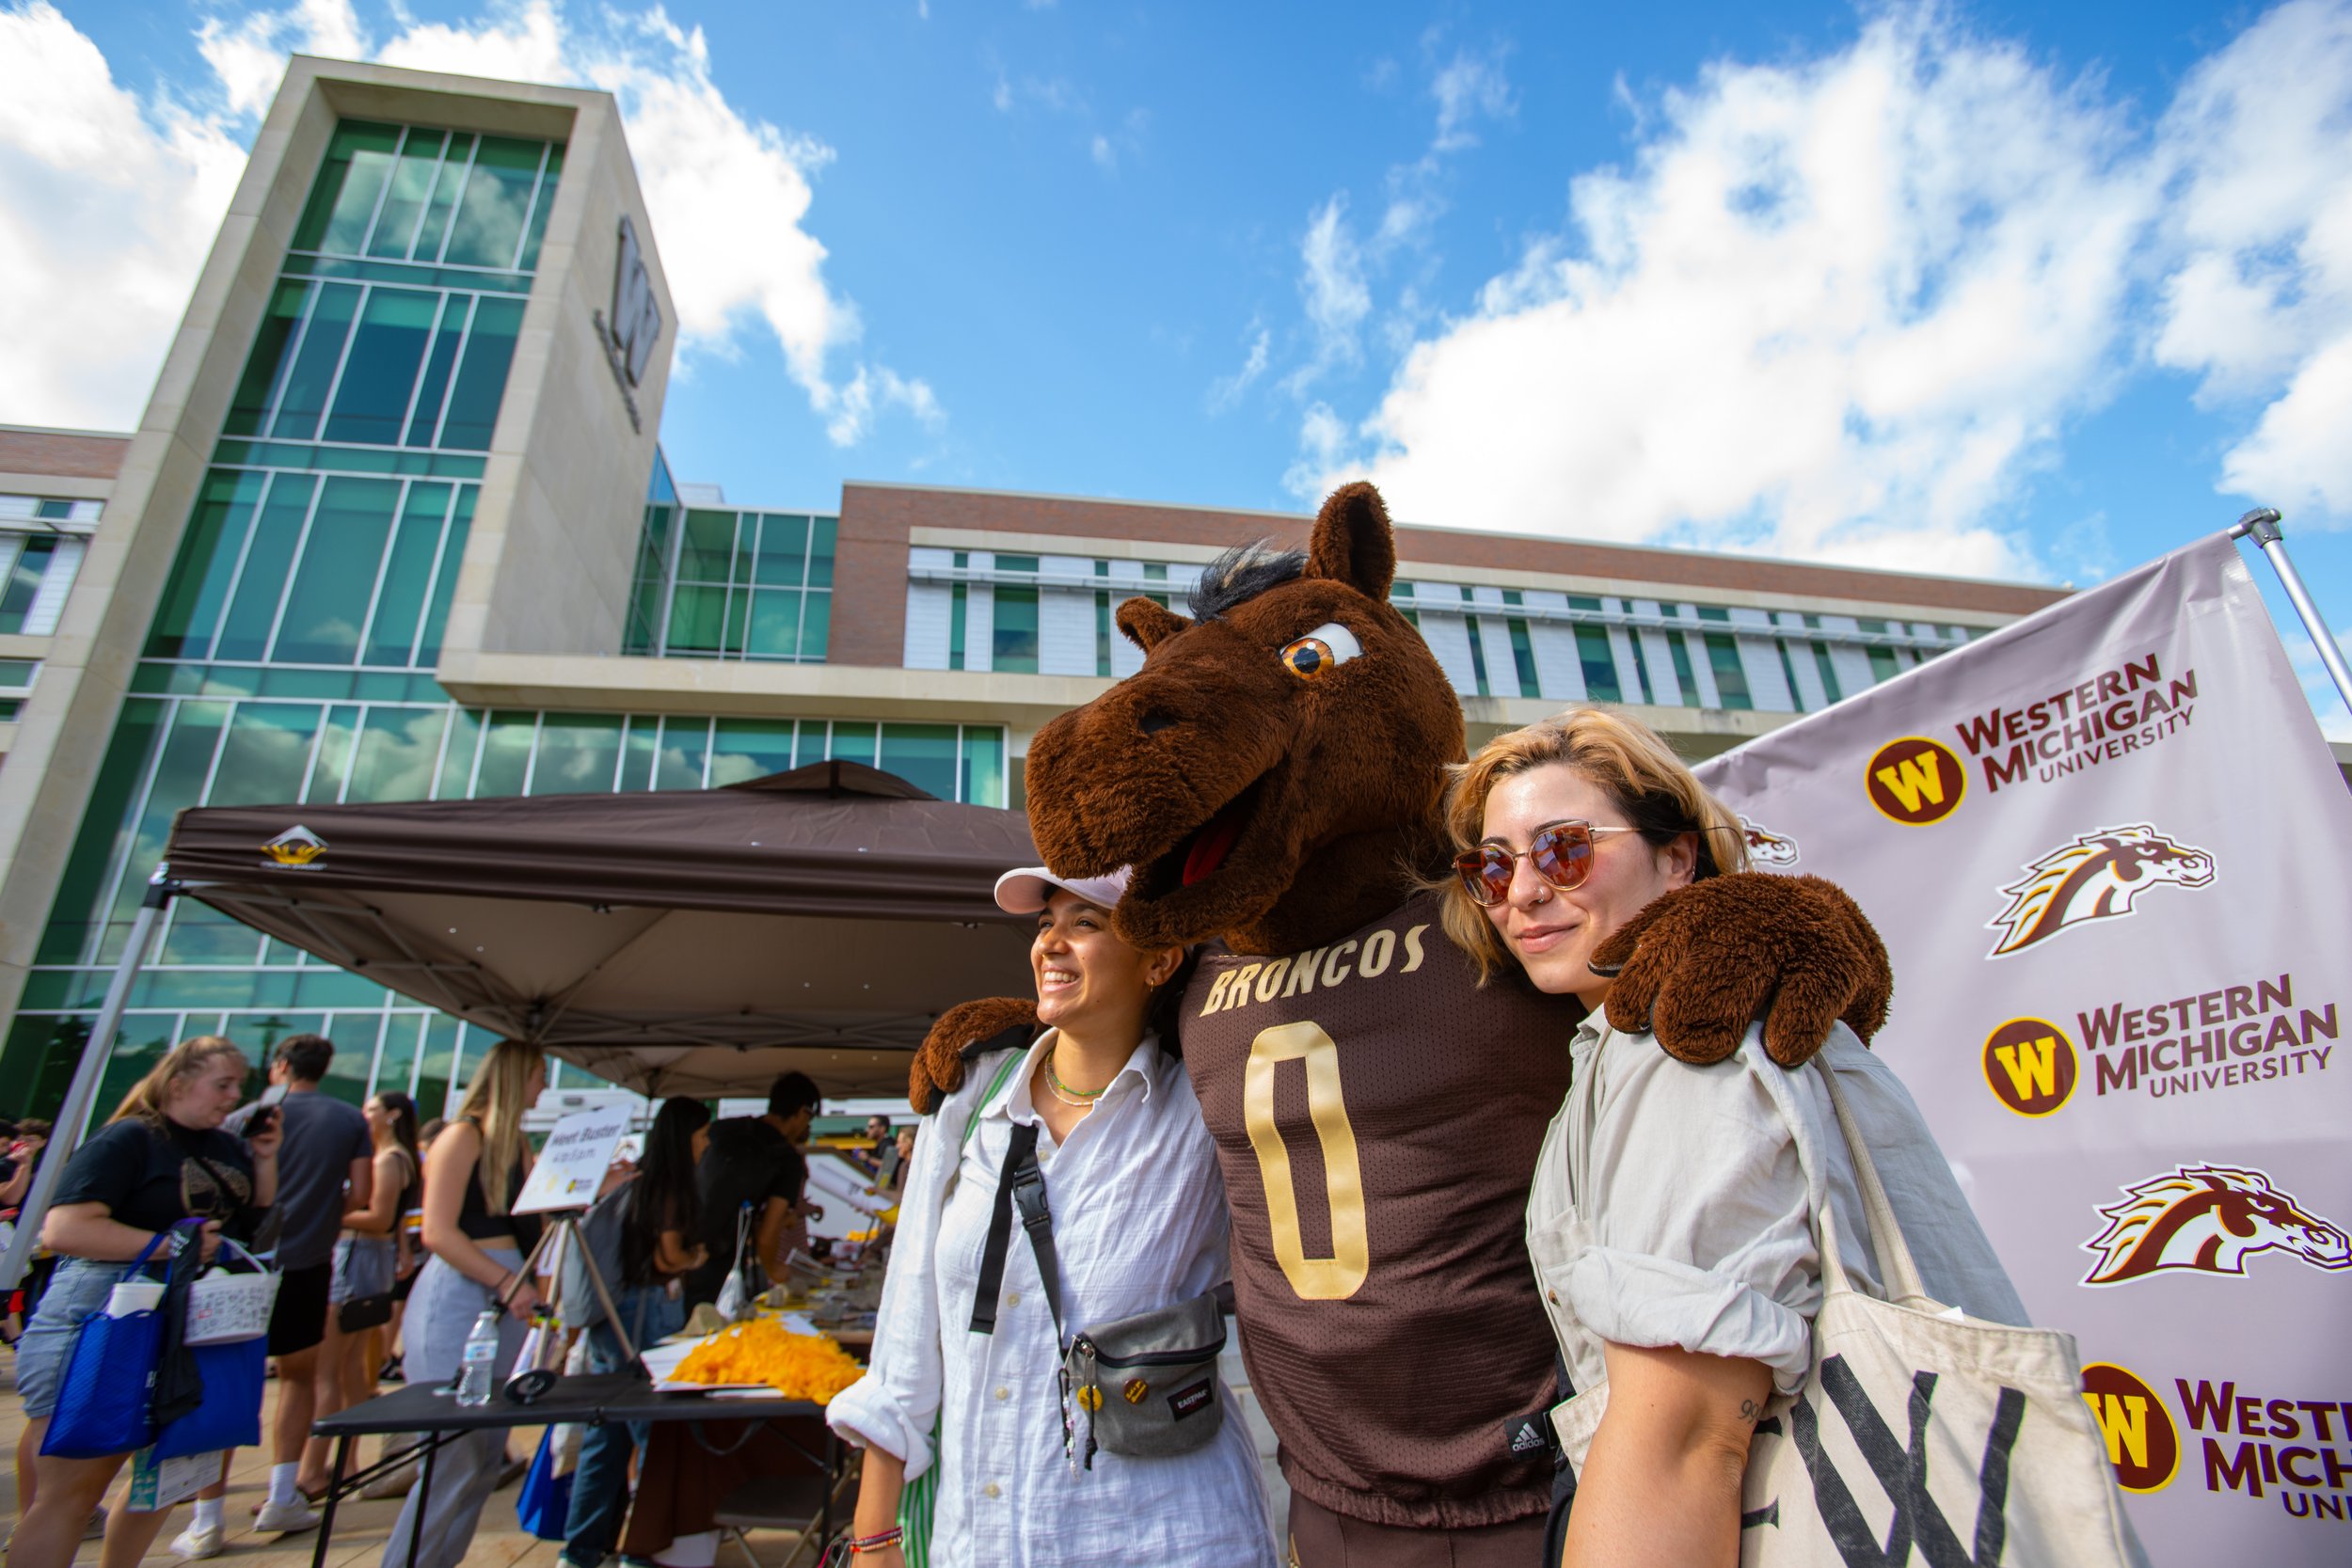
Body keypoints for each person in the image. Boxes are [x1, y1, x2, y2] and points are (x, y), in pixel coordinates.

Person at [1433, 709, 2026, 1566]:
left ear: (1677, 857)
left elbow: (1681, 1442)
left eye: (1563, 848)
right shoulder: (1622, 1030)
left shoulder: (1685, 1034)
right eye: (1492, 865)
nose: (1521, 892)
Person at [828, 866, 1278, 1568]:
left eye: (1086, 923)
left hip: (1170, 1537)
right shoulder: (973, 1095)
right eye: (1046, 924)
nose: (1051, 944)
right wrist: (875, 1536)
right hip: (976, 1540)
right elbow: (906, 1331)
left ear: (1160, 959)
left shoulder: (1203, 1109)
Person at [7, 1037, 280, 1568]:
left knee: (163, 1484)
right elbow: (64, 1230)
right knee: (71, 1495)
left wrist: (265, 1161)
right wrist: (168, 1246)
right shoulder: (129, 1139)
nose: (234, 1096)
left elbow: (247, 1230)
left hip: (182, 1325)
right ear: (178, 1084)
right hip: (102, 1322)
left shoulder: (225, 1147)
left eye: (238, 1085)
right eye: (222, 1084)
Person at [380, 1040, 547, 1568]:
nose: (544, 1087)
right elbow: (437, 1231)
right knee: (450, 1457)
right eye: (539, 1075)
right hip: (459, 1300)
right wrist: (506, 1281)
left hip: (505, 1303)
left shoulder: (514, 1142)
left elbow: (536, 1221)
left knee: (481, 1462)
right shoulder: (462, 1136)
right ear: (515, 1077)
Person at [208, 1035, 373, 1543]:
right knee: (299, 1379)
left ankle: (206, 1518)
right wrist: (322, 1215)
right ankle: (283, 1494)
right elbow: (362, 1195)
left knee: (228, 1384)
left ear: (280, 1066)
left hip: (241, 1262)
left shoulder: (248, 1116)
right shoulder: (349, 1119)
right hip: (309, 1261)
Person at [560, 1097, 712, 1568]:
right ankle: (643, 1545)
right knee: (654, 1437)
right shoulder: (669, 1187)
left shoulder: (636, 1180)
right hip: (647, 1315)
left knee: (604, 1439)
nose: (706, 1144)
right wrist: (696, 1258)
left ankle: (580, 1551)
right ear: (685, 1135)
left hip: (613, 1317)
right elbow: (668, 1258)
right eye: (703, 1134)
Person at [304, 1091, 422, 1490]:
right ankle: (344, 1464)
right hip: (370, 1261)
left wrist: (324, 1210)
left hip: (357, 1260)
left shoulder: (389, 1160)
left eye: (370, 1108)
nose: (363, 1114)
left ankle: (314, 1471)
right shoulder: (395, 1157)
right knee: (350, 1370)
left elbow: (380, 1217)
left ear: (391, 1115)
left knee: (327, 1371)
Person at [685, 1071, 820, 1307]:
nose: (807, 1127)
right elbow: (768, 1234)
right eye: (809, 1120)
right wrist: (780, 1274)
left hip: (675, 1251)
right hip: (716, 1262)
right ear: (802, 1112)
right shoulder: (785, 1159)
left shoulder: (721, 1129)